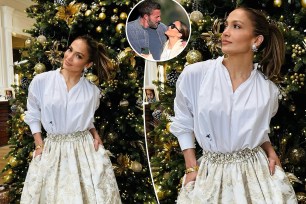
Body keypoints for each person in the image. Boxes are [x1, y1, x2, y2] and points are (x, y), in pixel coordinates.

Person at [170, 7, 297, 203]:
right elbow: (183, 122)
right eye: (226, 25)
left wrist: (270, 151)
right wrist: (191, 167)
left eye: (236, 26)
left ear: (256, 40)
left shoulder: (268, 90)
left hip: (256, 177)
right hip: (210, 176)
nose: (225, 32)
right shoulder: (196, 75)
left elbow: (256, 130)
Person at [21, 35, 121, 204]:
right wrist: (39, 144)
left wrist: (94, 133)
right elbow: (33, 114)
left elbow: (86, 119)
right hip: (52, 149)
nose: (69, 57)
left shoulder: (92, 92)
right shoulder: (41, 81)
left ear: (87, 64)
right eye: (70, 49)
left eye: (78, 56)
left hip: (84, 151)